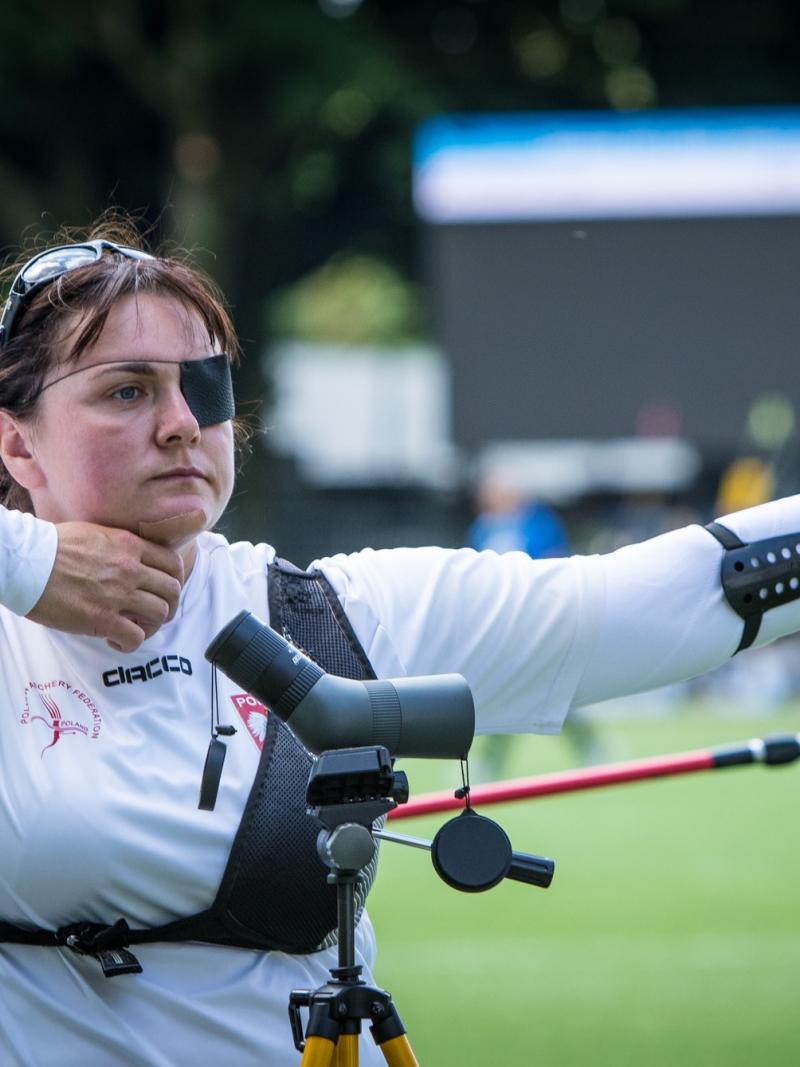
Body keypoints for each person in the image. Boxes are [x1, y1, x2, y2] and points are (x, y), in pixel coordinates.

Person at [1, 221, 800, 1067]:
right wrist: (28, 561)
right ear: (17, 442)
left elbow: (654, 598)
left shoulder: (338, 614)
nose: (181, 424)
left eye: (202, 386)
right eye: (126, 390)